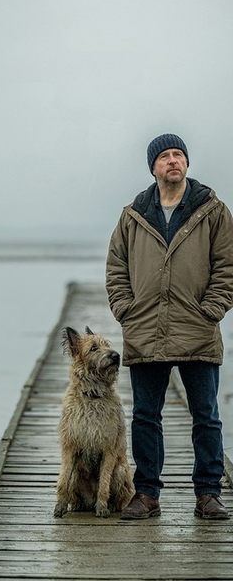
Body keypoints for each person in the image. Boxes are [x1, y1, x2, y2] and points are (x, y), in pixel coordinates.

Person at [106, 133, 233, 520]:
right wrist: (126, 310)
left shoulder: (213, 210)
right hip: (146, 329)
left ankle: (208, 494)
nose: (173, 160)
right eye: (165, 156)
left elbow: (227, 267)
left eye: (179, 154)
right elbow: (116, 269)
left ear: (187, 163)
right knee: (146, 416)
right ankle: (146, 494)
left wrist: (211, 310)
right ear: (154, 168)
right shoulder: (133, 215)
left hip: (197, 328)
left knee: (206, 416)